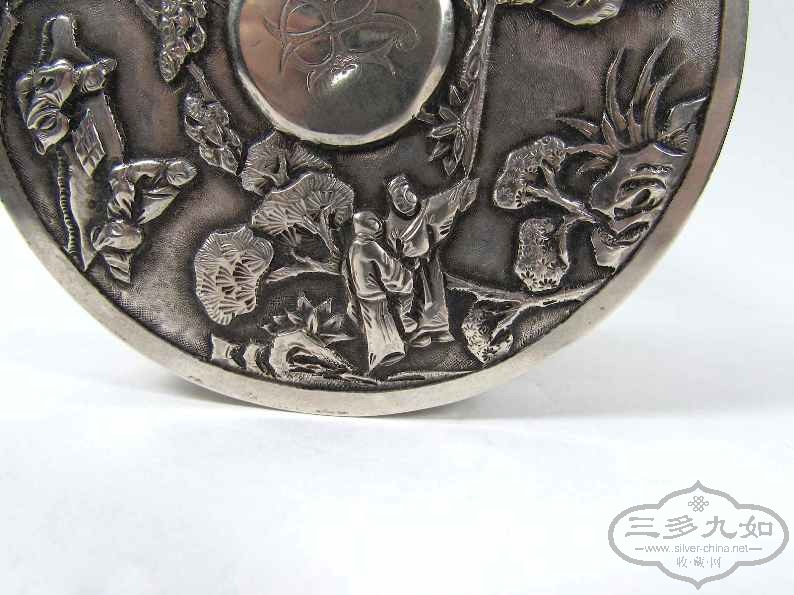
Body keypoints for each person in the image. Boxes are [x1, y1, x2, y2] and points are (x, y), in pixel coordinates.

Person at [384, 174, 479, 348]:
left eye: (405, 194)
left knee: (436, 292)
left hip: (430, 259)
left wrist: (466, 183)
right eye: (398, 199)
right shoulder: (392, 223)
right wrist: (403, 259)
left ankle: (440, 328)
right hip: (411, 267)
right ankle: (419, 331)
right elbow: (391, 248)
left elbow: (449, 199)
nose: (403, 202)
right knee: (417, 298)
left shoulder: (428, 207)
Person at [346, 211, 416, 372]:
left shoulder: (354, 246)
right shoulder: (370, 246)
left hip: (363, 296)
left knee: (373, 328)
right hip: (376, 295)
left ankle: (378, 358)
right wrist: (406, 276)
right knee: (383, 324)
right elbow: (390, 270)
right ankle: (389, 356)